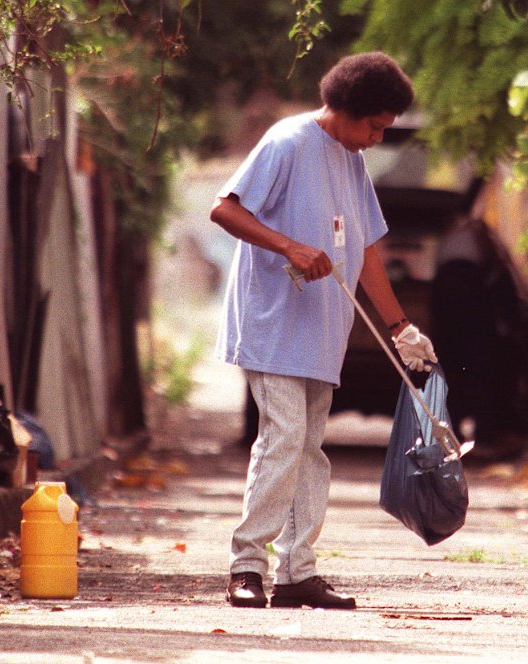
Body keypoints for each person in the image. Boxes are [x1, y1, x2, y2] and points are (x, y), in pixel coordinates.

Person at [210, 52, 437, 610]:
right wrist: (288, 245)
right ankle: (246, 566)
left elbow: (365, 251)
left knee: (310, 449)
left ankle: (297, 573)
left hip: (322, 332)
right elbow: (224, 210)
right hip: (272, 324)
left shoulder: (352, 161)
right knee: (284, 438)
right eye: (374, 125)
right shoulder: (287, 142)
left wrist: (400, 327)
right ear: (347, 108)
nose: (377, 138)